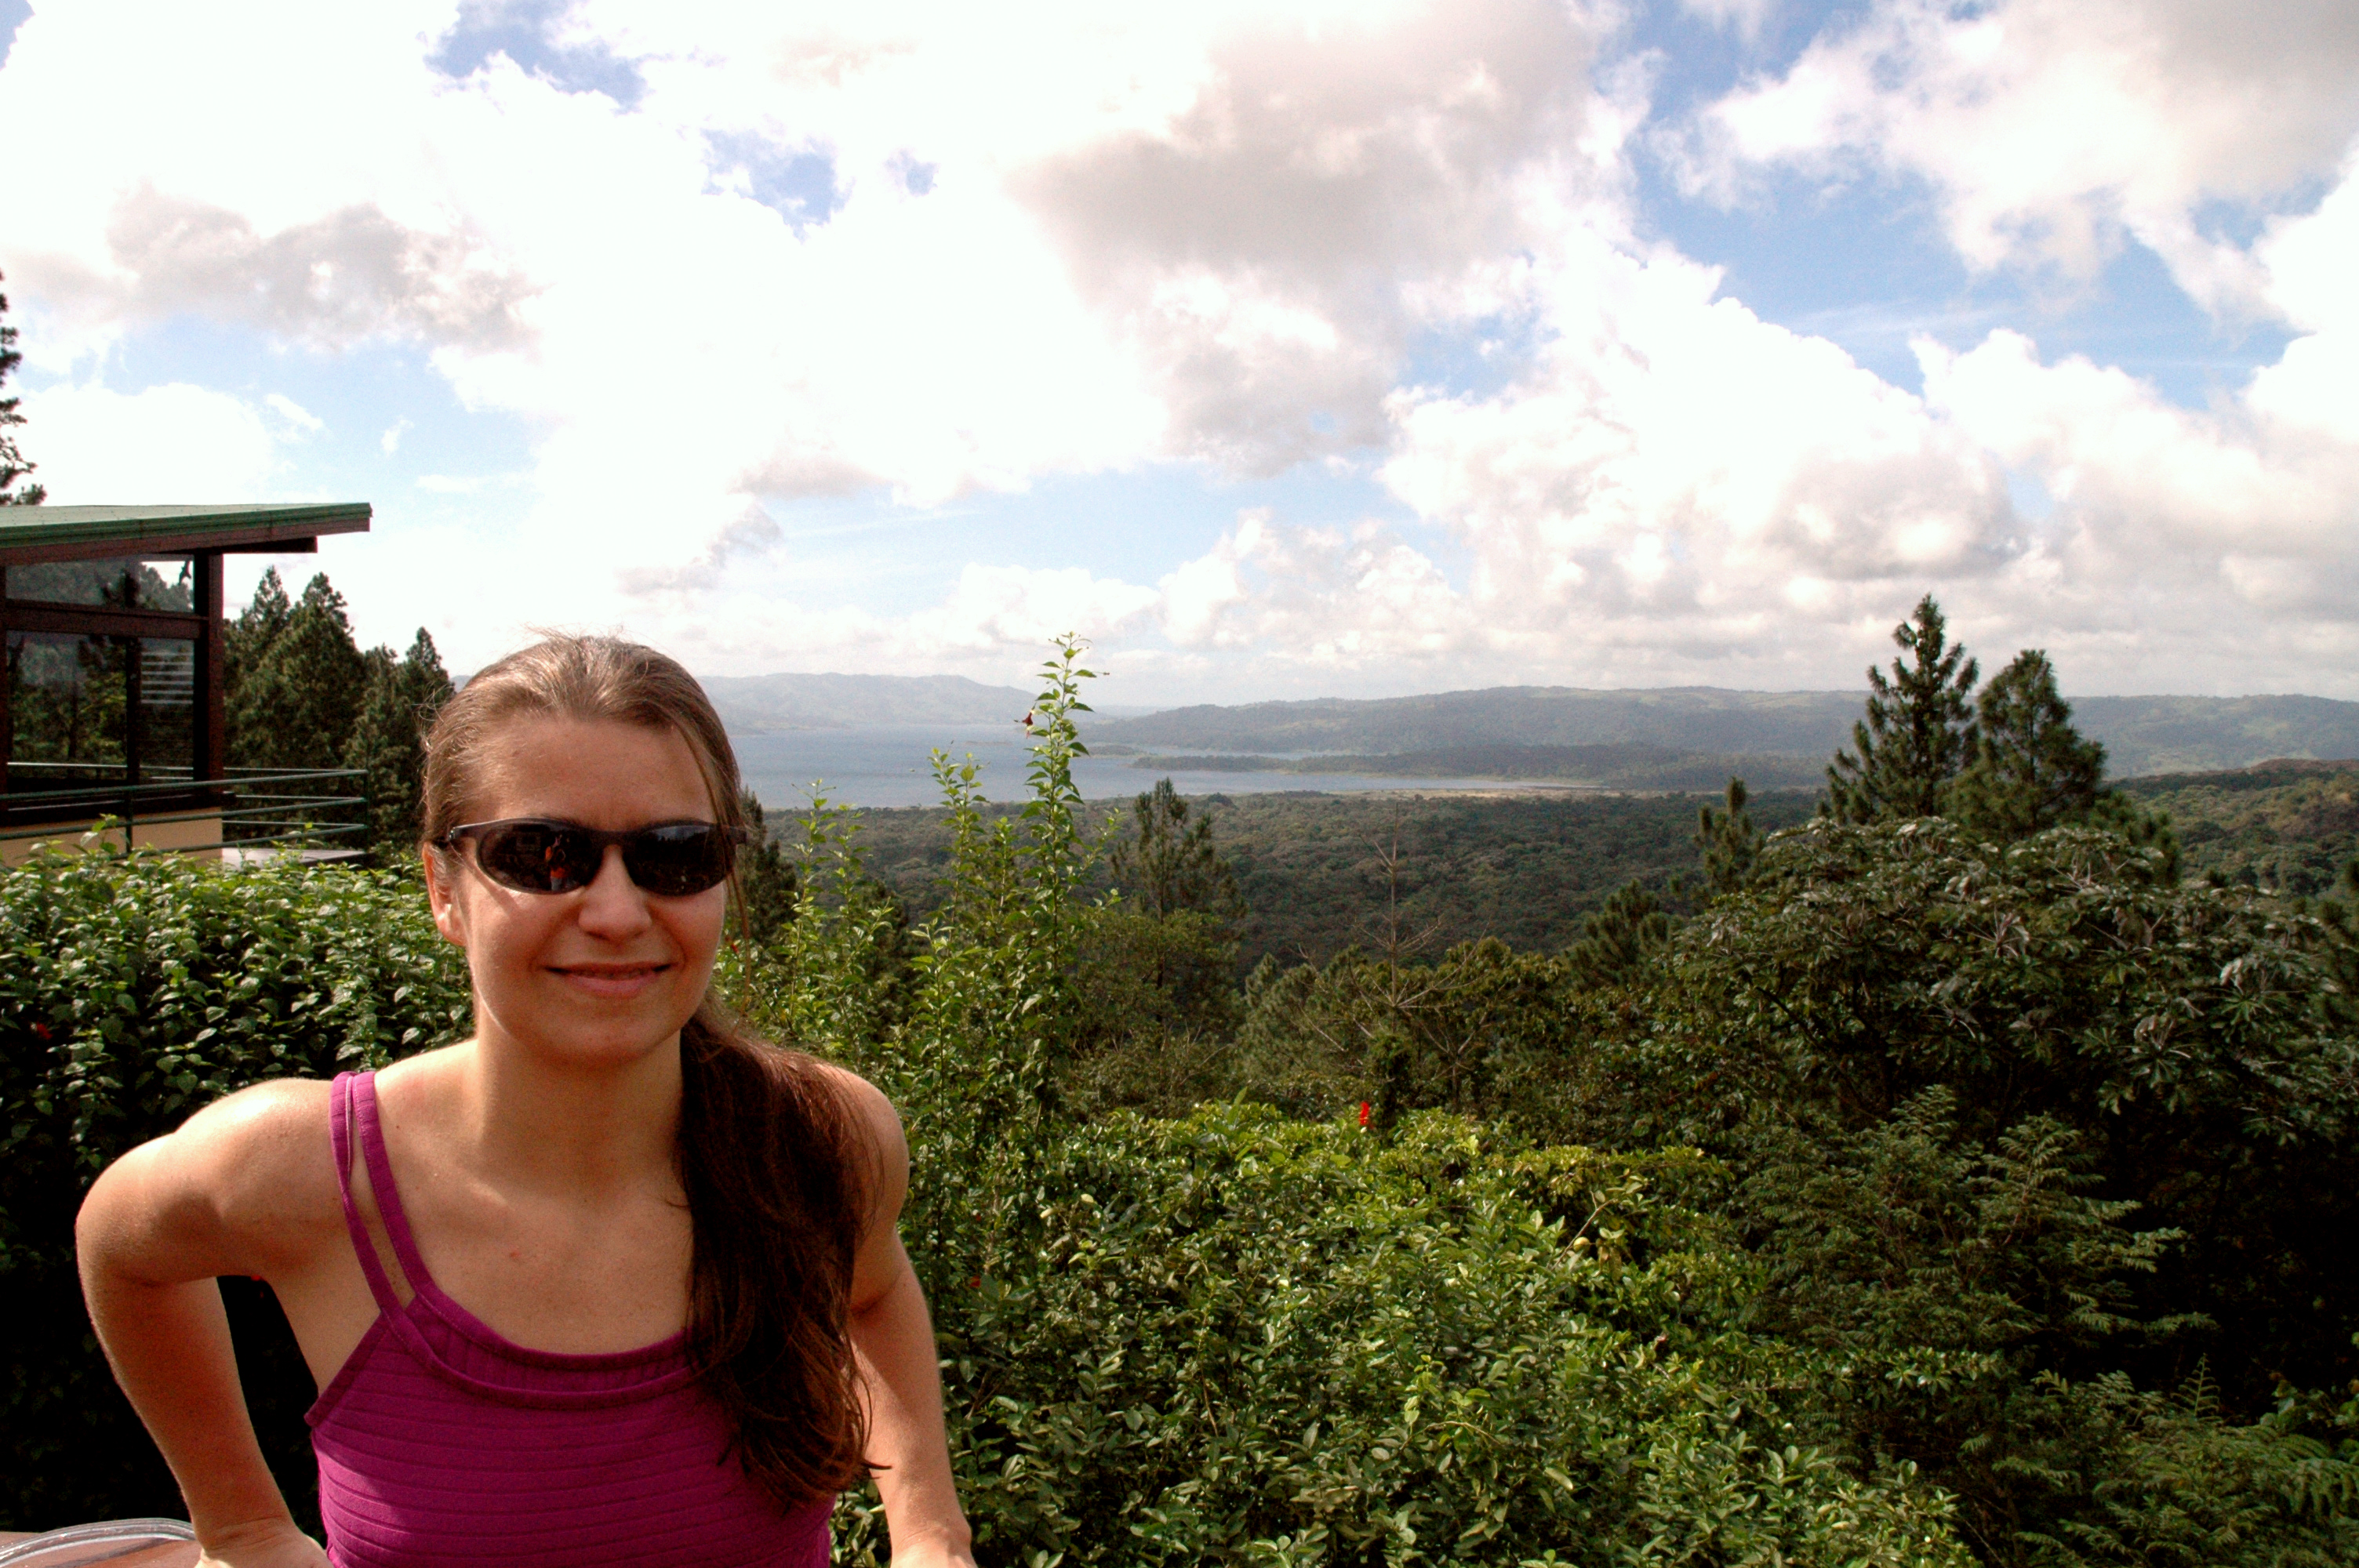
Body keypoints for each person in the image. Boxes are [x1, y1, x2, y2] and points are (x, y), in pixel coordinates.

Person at [74, 635, 976, 1568]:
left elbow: (874, 1289)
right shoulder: (309, 1171)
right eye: (543, 854)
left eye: (675, 854)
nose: (617, 912)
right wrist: (241, 1526)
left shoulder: (817, 1142)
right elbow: (120, 1245)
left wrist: (928, 1529)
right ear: (444, 888)